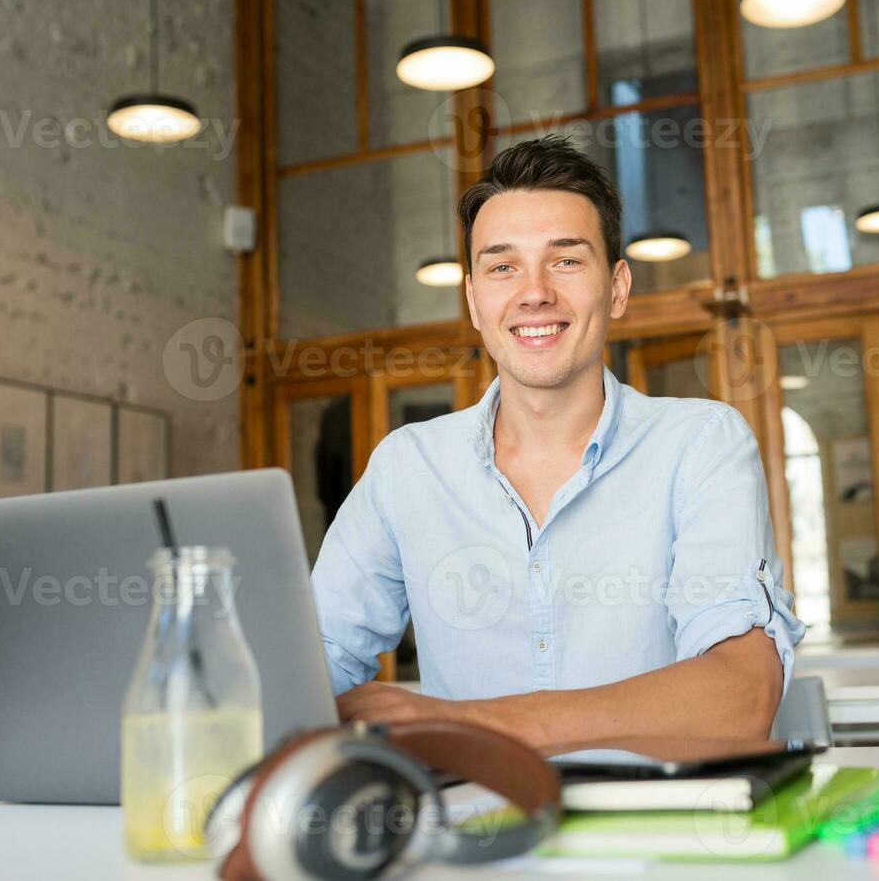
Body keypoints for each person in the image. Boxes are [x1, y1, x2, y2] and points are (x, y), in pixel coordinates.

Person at [310, 135, 804, 750]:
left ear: (618, 287)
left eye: (566, 260)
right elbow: (312, 663)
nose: (534, 291)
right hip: (474, 833)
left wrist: (474, 724)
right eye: (501, 266)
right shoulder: (406, 466)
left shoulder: (700, 446)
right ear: (472, 300)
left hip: (662, 828)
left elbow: (741, 698)